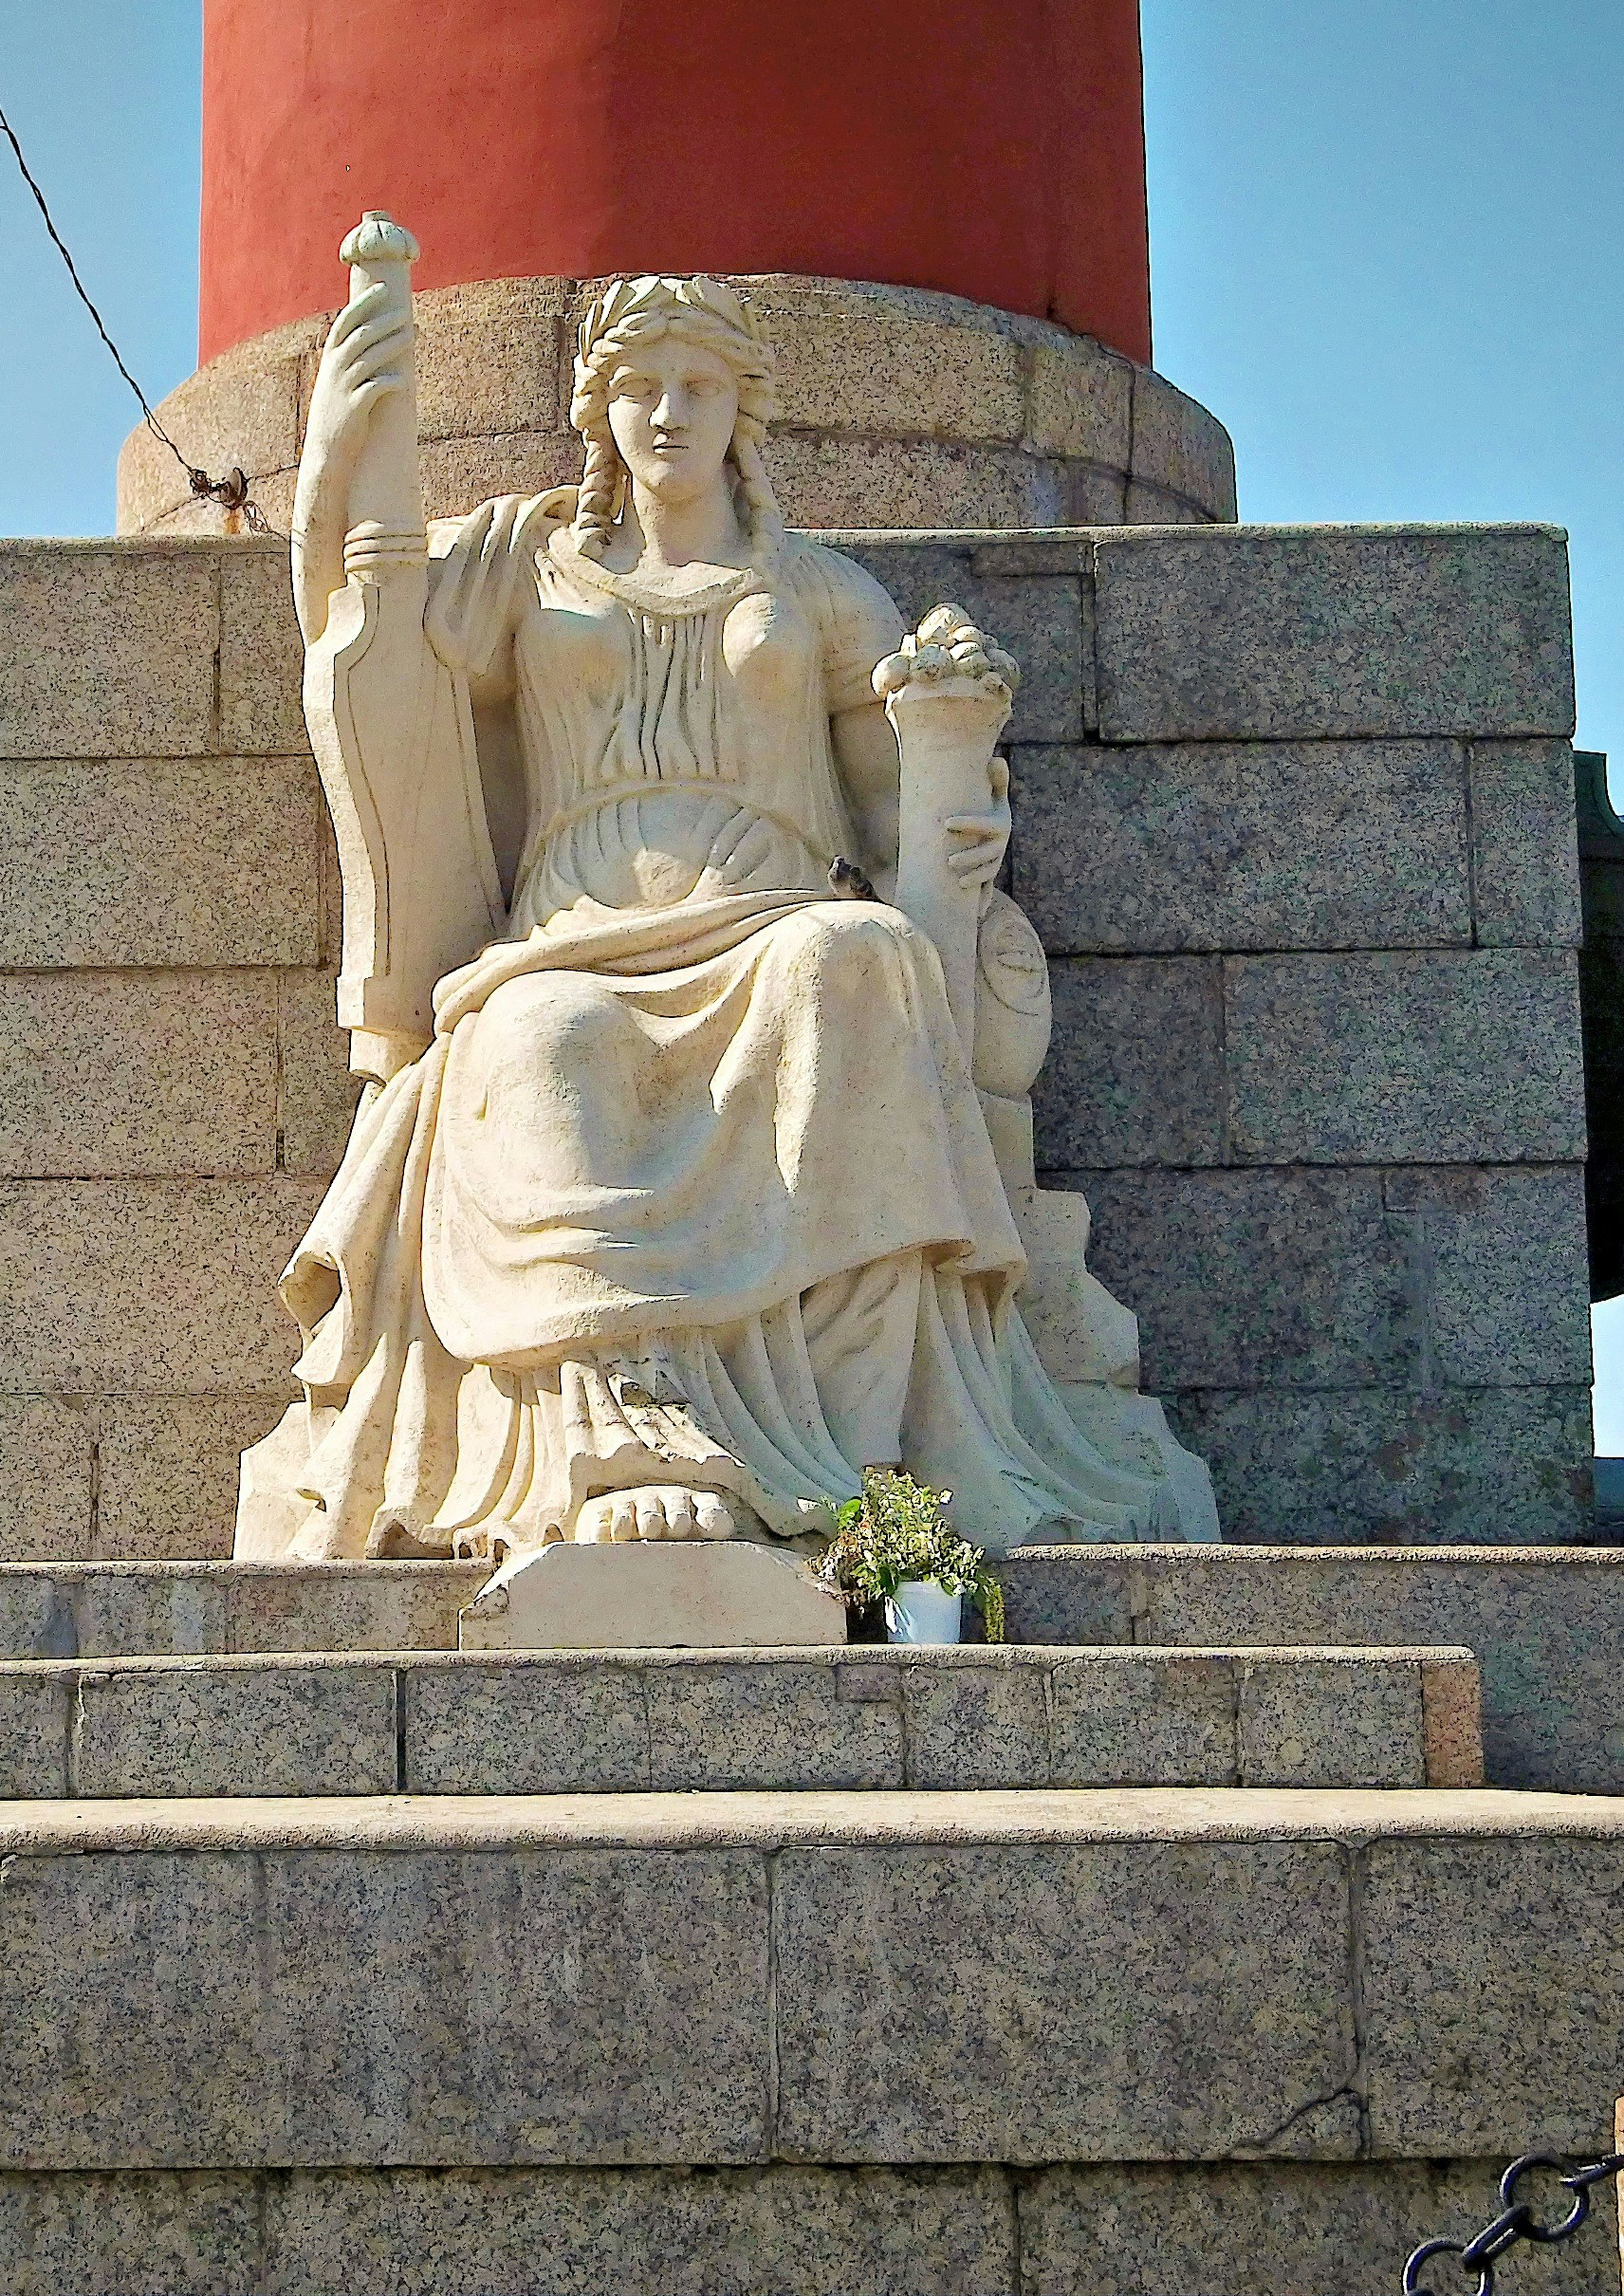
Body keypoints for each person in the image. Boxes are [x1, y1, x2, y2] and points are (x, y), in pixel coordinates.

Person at [244, 270, 1199, 1562]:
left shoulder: (817, 589)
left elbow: (899, 817)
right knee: (536, 1041)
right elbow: (369, 637)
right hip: (571, 934)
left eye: (697, 384)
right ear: (598, 411)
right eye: (638, 386)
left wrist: (947, 751)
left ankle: (854, 1456)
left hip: (774, 913)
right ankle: (624, 1430)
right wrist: (348, 450)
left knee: (857, 961)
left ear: (744, 405)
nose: (668, 411)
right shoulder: (527, 557)